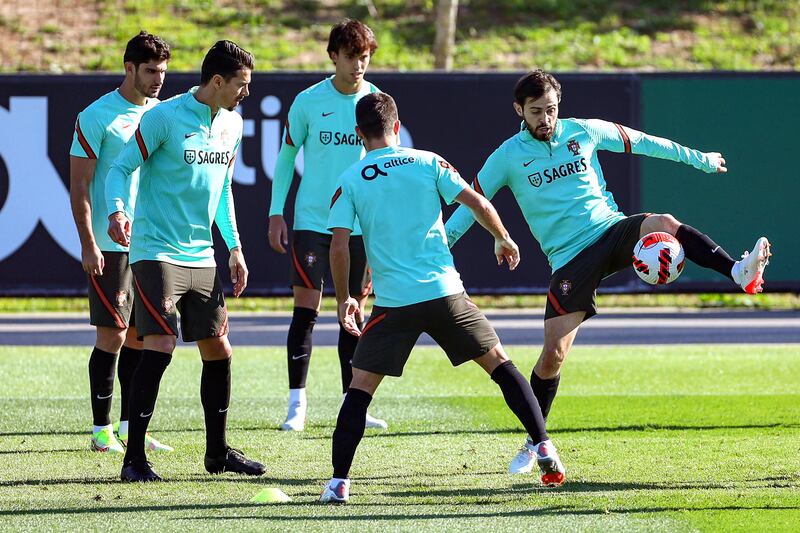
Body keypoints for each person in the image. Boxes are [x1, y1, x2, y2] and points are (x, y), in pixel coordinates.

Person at [444, 69, 772, 475]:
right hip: (568, 258)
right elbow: (471, 205)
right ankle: (536, 441)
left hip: (611, 230)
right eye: (535, 112)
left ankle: (738, 272)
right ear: (519, 110)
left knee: (665, 222)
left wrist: (699, 159)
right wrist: (434, 251)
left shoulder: (584, 131)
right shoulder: (507, 156)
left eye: (550, 109)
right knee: (552, 357)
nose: (545, 119)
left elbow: (647, 143)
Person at [319, 93, 564, 504]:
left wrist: (345, 298)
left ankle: (338, 483)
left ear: (359, 134)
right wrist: (502, 238)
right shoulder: (428, 161)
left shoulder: (351, 179)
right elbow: (479, 202)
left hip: (395, 304)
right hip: (446, 293)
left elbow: (339, 247)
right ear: (397, 126)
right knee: (500, 364)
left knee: (360, 389)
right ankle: (542, 445)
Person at [105, 40, 265, 482]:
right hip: (155, 251)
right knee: (160, 345)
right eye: (241, 84)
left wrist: (233, 246)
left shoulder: (232, 124)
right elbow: (120, 169)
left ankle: (217, 454)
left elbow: (223, 191)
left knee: (219, 349)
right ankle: (133, 458)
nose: (245, 93)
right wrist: (118, 210)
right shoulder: (164, 118)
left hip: (203, 255)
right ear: (217, 81)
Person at [268, 19, 386, 432]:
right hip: (314, 222)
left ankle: (352, 404)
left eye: (365, 57)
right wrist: (275, 212)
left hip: (360, 228)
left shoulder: (377, 103)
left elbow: (387, 165)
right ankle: (296, 405)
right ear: (333, 55)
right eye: (351, 57)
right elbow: (285, 158)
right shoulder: (307, 101)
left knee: (352, 313)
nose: (358, 66)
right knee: (306, 311)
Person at [69, 31, 172, 455]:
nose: (157, 80)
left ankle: (132, 429)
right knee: (111, 333)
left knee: (141, 338)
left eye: (163, 72)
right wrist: (89, 243)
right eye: (150, 71)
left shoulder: (164, 114)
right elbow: (79, 186)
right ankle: (100, 430)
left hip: (151, 242)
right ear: (128, 68)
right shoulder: (97, 116)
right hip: (111, 246)